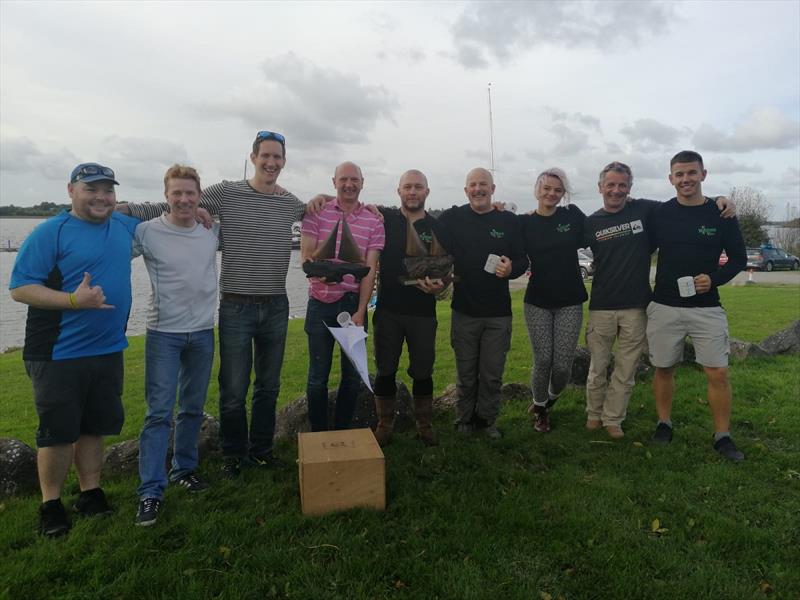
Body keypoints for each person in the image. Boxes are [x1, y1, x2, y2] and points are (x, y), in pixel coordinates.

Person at [120, 131, 305, 478]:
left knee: (269, 385)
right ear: (253, 158)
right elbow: (176, 203)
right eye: (265, 156)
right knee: (234, 388)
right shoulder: (226, 192)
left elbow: (319, 215)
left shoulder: (290, 203)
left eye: (277, 157)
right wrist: (126, 209)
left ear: (283, 160)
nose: (271, 163)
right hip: (236, 305)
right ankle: (234, 454)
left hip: (276, 305)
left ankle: (262, 450)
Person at [9, 163, 139, 537]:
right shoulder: (51, 232)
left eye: (107, 190)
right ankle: (50, 504)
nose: (101, 197)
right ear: (71, 191)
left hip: (108, 348)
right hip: (57, 351)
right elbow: (20, 288)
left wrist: (197, 211)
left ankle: (90, 491)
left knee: (93, 427)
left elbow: (162, 214)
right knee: (57, 432)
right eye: (91, 189)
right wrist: (72, 299)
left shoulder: (123, 226)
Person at [583, 162, 736, 439]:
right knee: (598, 367)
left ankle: (613, 419)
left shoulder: (647, 209)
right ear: (600, 187)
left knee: (625, 370)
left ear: (630, 188)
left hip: (637, 305)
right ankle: (594, 414)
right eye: (611, 185)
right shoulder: (590, 222)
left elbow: (688, 199)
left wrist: (719, 201)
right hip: (601, 306)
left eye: (622, 185)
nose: (616, 190)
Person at [132, 165, 219, 526]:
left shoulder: (210, 232)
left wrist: (207, 215)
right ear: (165, 196)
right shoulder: (146, 232)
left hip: (202, 331)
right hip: (163, 333)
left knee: (193, 408)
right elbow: (109, 254)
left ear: (199, 196)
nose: (184, 199)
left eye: (190, 194)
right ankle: (150, 491)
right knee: (158, 413)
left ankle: (184, 469)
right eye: (177, 193)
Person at [647, 151, 747, 461]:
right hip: (664, 304)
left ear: (703, 174)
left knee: (717, 372)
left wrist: (714, 279)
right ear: (671, 179)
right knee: (664, 368)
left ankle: (722, 436)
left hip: (707, 307)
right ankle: (664, 424)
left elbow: (739, 259)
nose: (685, 179)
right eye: (679, 174)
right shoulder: (660, 213)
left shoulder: (721, 214)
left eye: (691, 173)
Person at [437, 168, 527, 438]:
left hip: (498, 314)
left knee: (491, 374)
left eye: (483, 185)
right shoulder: (452, 218)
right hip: (464, 310)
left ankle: (487, 420)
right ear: (465, 191)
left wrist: (512, 268)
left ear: (493, 188)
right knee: (465, 372)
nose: (478, 189)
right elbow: (421, 226)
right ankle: (464, 419)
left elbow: (523, 260)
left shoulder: (508, 221)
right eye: (473, 185)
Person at [300, 162, 384, 431]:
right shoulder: (316, 212)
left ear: (362, 182)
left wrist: (361, 311)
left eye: (354, 179)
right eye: (344, 179)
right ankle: (318, 433)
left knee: (352, 377)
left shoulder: (374, 221)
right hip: (320, 303)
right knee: (317, 377)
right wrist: (321, 274)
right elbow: (307, 257)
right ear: (334, 181)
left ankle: (344, 433)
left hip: (352, 305)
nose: (349, 184)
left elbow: (369, 271)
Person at [371, 170, 446, 446]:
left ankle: (424, 425)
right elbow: (348, 201)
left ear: (427, 191)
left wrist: (441, 286)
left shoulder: (438, 227)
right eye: (407, 187)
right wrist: (321, 198)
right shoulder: (385, 219)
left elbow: (447, 269)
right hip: (388, 310)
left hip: (424, 313)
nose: (412, 192)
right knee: (385, 370)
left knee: (423, 371)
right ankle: (384, 425)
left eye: (418, 187)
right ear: (398, 191)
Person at [519, 168, 587, 433]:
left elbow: (600, 225)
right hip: (537, 300)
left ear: (563, 194)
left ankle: (550, 399)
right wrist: (499, 206)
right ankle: (540, 410)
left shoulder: (572, 216)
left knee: (561, 365)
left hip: (570, 299)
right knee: (543, 359)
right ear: (537, 190)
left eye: (557, 190)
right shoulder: (524, 223)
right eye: (547, 188)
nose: (551, 194)